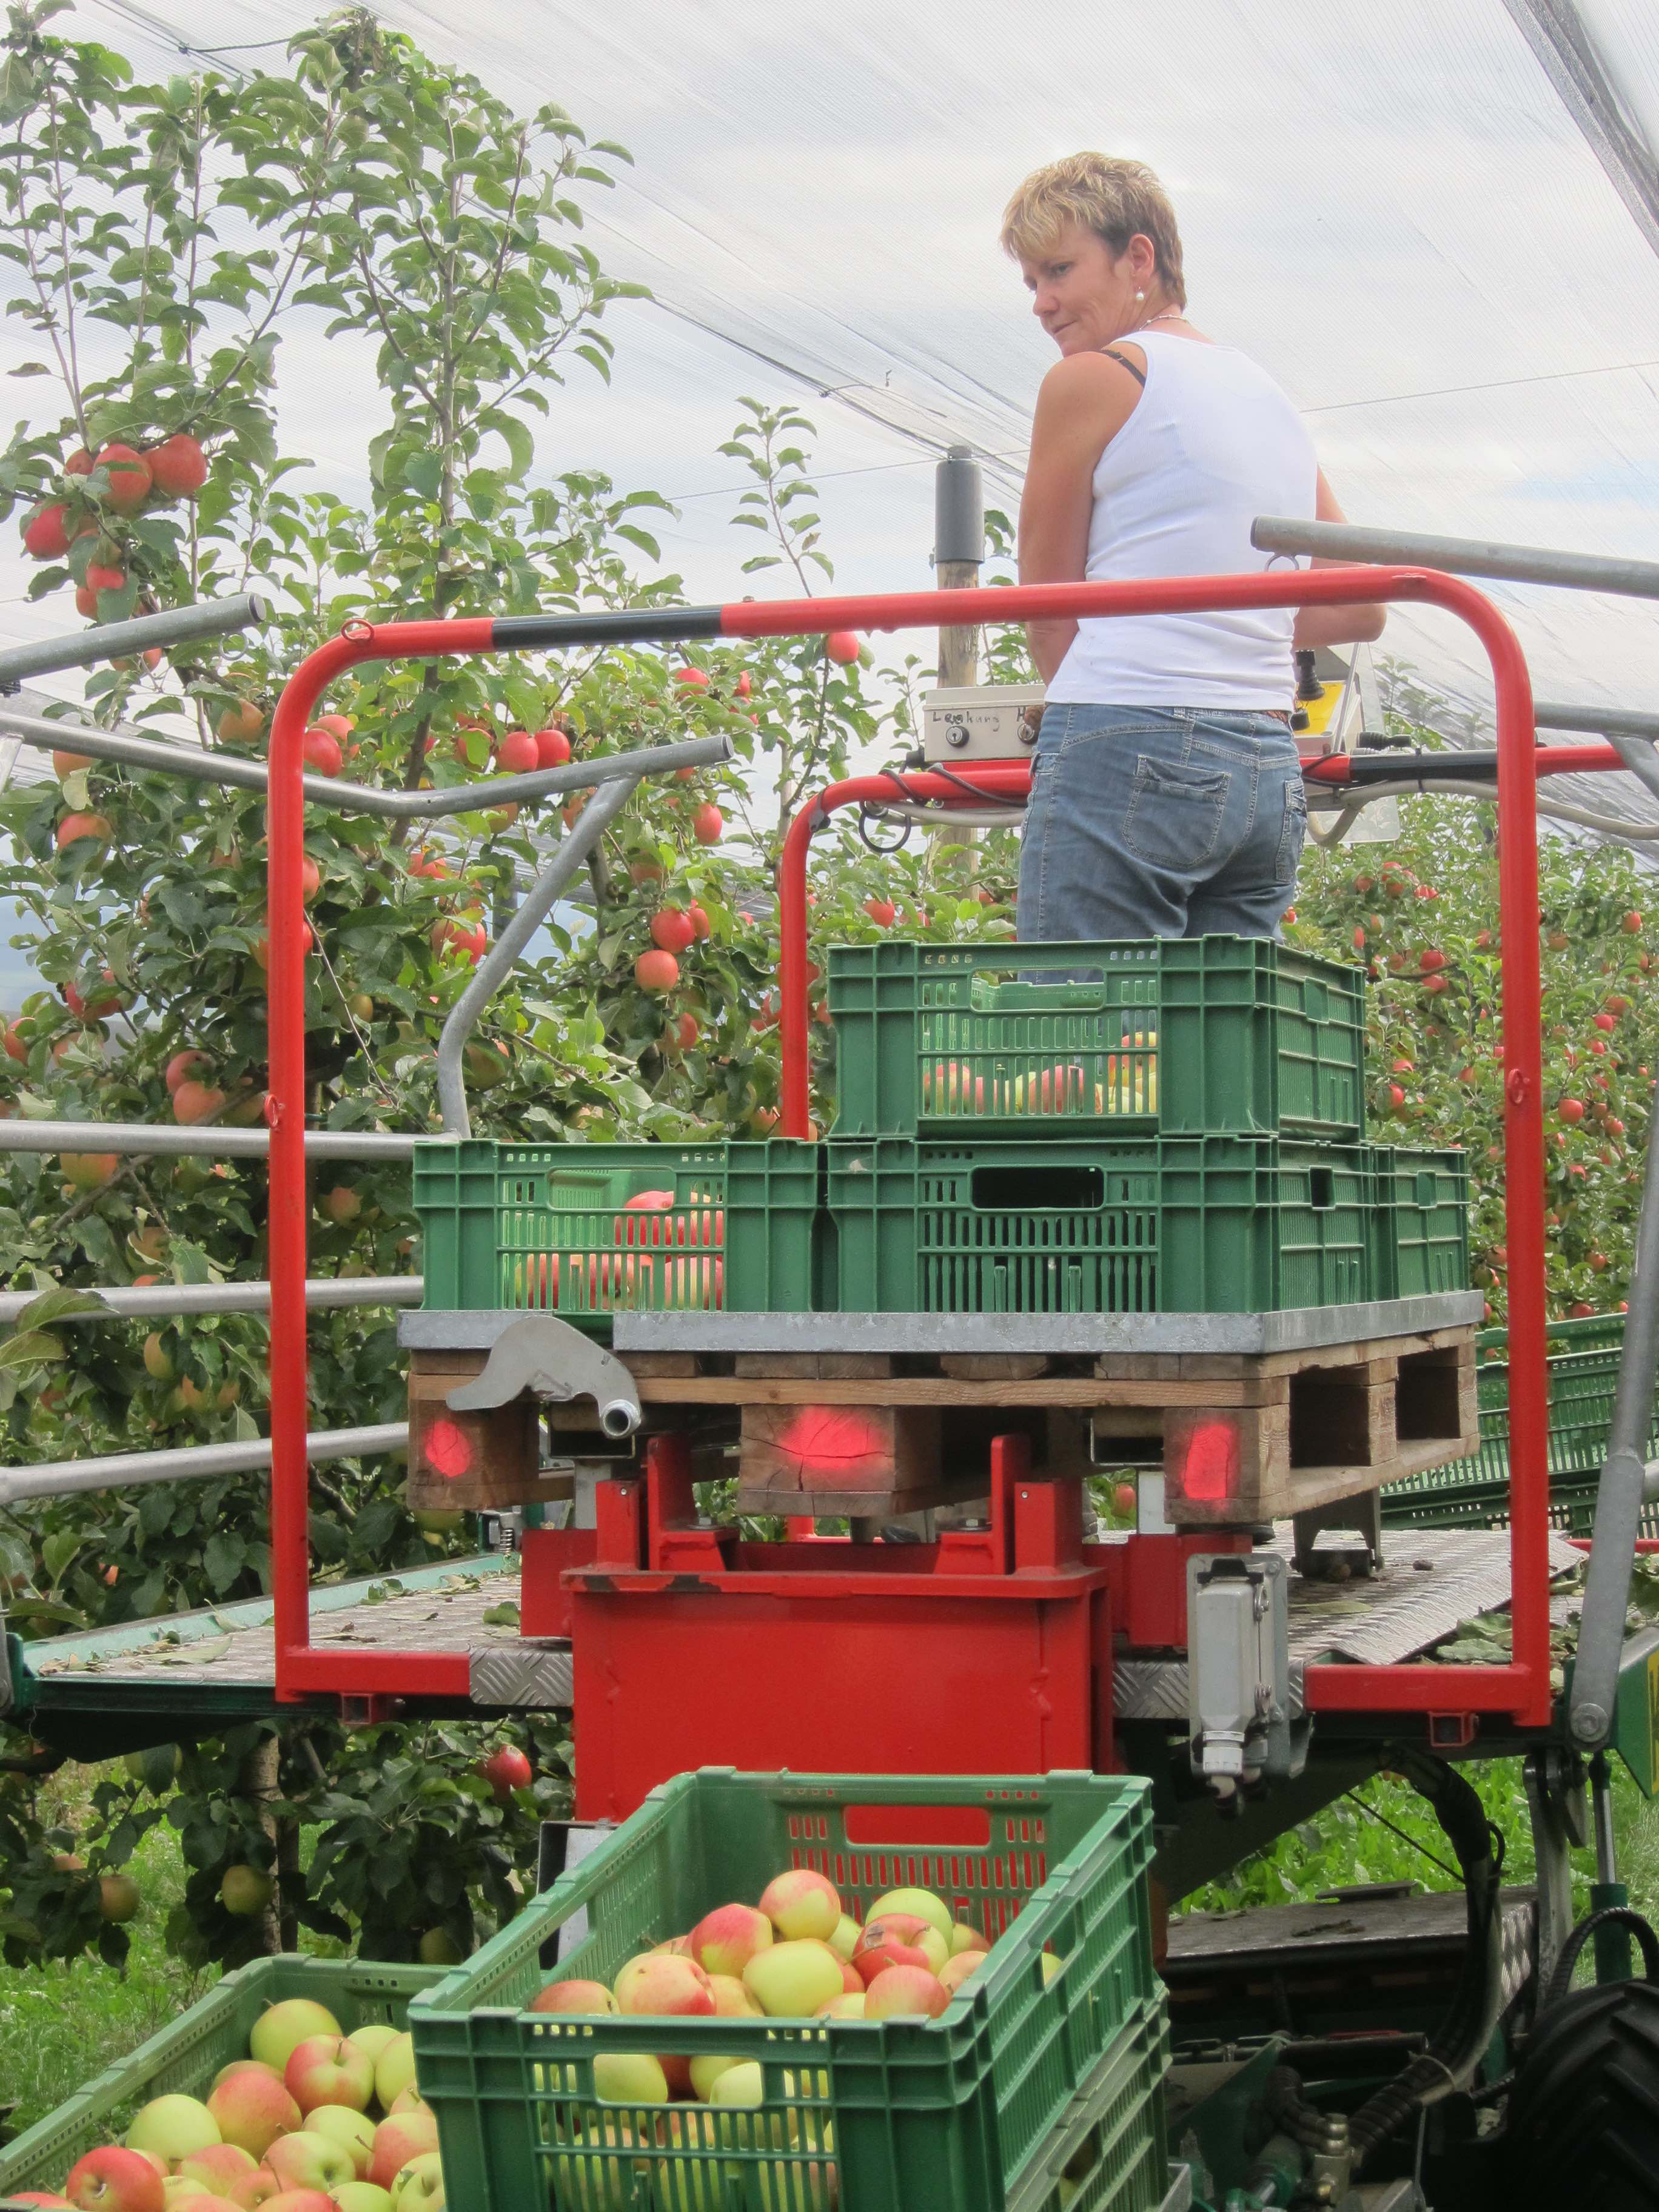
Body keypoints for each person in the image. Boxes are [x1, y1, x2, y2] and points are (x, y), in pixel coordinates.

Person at [1002, 153, 1386, 943]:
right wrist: (1223, 626)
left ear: (1138, 258)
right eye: (1032, 281)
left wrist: (1109, 713)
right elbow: (1359, 601)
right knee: (1219, 1053)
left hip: (1125, 736)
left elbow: (1044, 606)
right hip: (1262, 764)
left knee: (1085, 1036)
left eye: (1060, 270)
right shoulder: (1263, 393)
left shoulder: (1092, 380)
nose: (1042, 302)